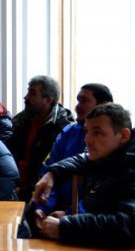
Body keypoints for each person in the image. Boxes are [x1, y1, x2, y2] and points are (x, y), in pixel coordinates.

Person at [32, 103, 135, 248]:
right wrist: (52, 174)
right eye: (87, 131)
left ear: (124, 135)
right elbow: (83, 158)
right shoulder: (117, 154)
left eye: (97, 133)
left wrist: (66, 227)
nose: (87, 140)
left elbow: (133, 227)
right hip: (119, 249)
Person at [35, 83, 113, 214]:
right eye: (78, 101)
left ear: (104, 105)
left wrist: (70, 214)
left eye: (84, 101)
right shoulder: (68, 133)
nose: (77, 107)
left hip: (87, 217)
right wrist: (43, 209)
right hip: (55, 211)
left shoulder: (113, 140)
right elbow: (49, 169)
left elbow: (102, 193)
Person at [8, 75, 74, 202]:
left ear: (48, 100)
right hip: (14, 188)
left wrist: (24, 190)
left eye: (32, 93)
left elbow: (51, 168)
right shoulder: (20, 121)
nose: (26, 97)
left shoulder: (63, 128)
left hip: (42, 194)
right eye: (28, 92)